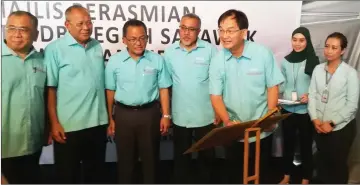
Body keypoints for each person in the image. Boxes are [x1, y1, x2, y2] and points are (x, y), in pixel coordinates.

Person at [209, 9, 285, 184]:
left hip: (261, 129)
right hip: (234, 129)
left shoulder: (262, 54)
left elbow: (272, 86)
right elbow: (215, 96)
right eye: (221, 30)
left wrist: (270, 116)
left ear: (244, 32)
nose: (224, 35)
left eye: (230, 30)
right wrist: (227, 122)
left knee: (261, 172)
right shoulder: (217, 60)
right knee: (234, 174)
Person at [44, 5, 108, 183]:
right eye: (80, 23)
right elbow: (51, 89)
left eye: (89, 22)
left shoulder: (96, 46)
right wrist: (54, 123)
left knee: (96, 175)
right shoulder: (54, 49)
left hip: (98, 123)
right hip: (68, 126)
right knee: (67, 175)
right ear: (67, 25)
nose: (86, 27)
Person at [105, 19, 172, 184]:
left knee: (151, 161)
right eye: (133, 39)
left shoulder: (157, 60)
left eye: (143, 38)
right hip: (123, 115)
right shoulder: (114, 61)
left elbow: (164, 89)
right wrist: (110, 119)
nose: (139, 42)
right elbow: (110, 91)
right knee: (126, 162)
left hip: (149, 114)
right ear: (124, 40)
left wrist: (166, 115)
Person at [163, 13, 219, 183]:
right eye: (183, 28)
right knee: (181, 159)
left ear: (199, 31)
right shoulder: (170, 52)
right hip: (180, 116)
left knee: (207, 158)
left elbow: (217, 82)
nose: (186, 33)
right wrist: (166, 114)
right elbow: (166, 85)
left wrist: (218, 110)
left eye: (192, 29)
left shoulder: (210, 50)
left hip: (206, 115)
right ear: (179, 29)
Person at [308, 32, 359, 184]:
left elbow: (352, 104)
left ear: (342, 51)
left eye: (334, 47)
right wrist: (315, 119)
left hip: (340, 129)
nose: (329, 51)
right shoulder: (318, 69)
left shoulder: (350, 73)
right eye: (327, 46)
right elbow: (312, 95)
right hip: (319, 127)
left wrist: (331, 123)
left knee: (337, 168)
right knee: (322, 165)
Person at [1, 10, 45, 184]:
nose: (16, 35)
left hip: (33, 146)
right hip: (4, 150)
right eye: (11, 28)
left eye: (24, 29)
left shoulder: (41, 61)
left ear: (35, 34)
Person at [278, 27, 320, 184]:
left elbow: (318, 85)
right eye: (294, 40)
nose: (297, 43)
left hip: (305, 111)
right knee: (287, 145)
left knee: (305, 146)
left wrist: (309, 95)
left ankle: (305, 178)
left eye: (301, 40)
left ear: (307, 41)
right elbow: (283, 85)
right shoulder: (285, 61)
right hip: (287, 109)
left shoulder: (313, 60)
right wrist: (275, 93)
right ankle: (286, 176)